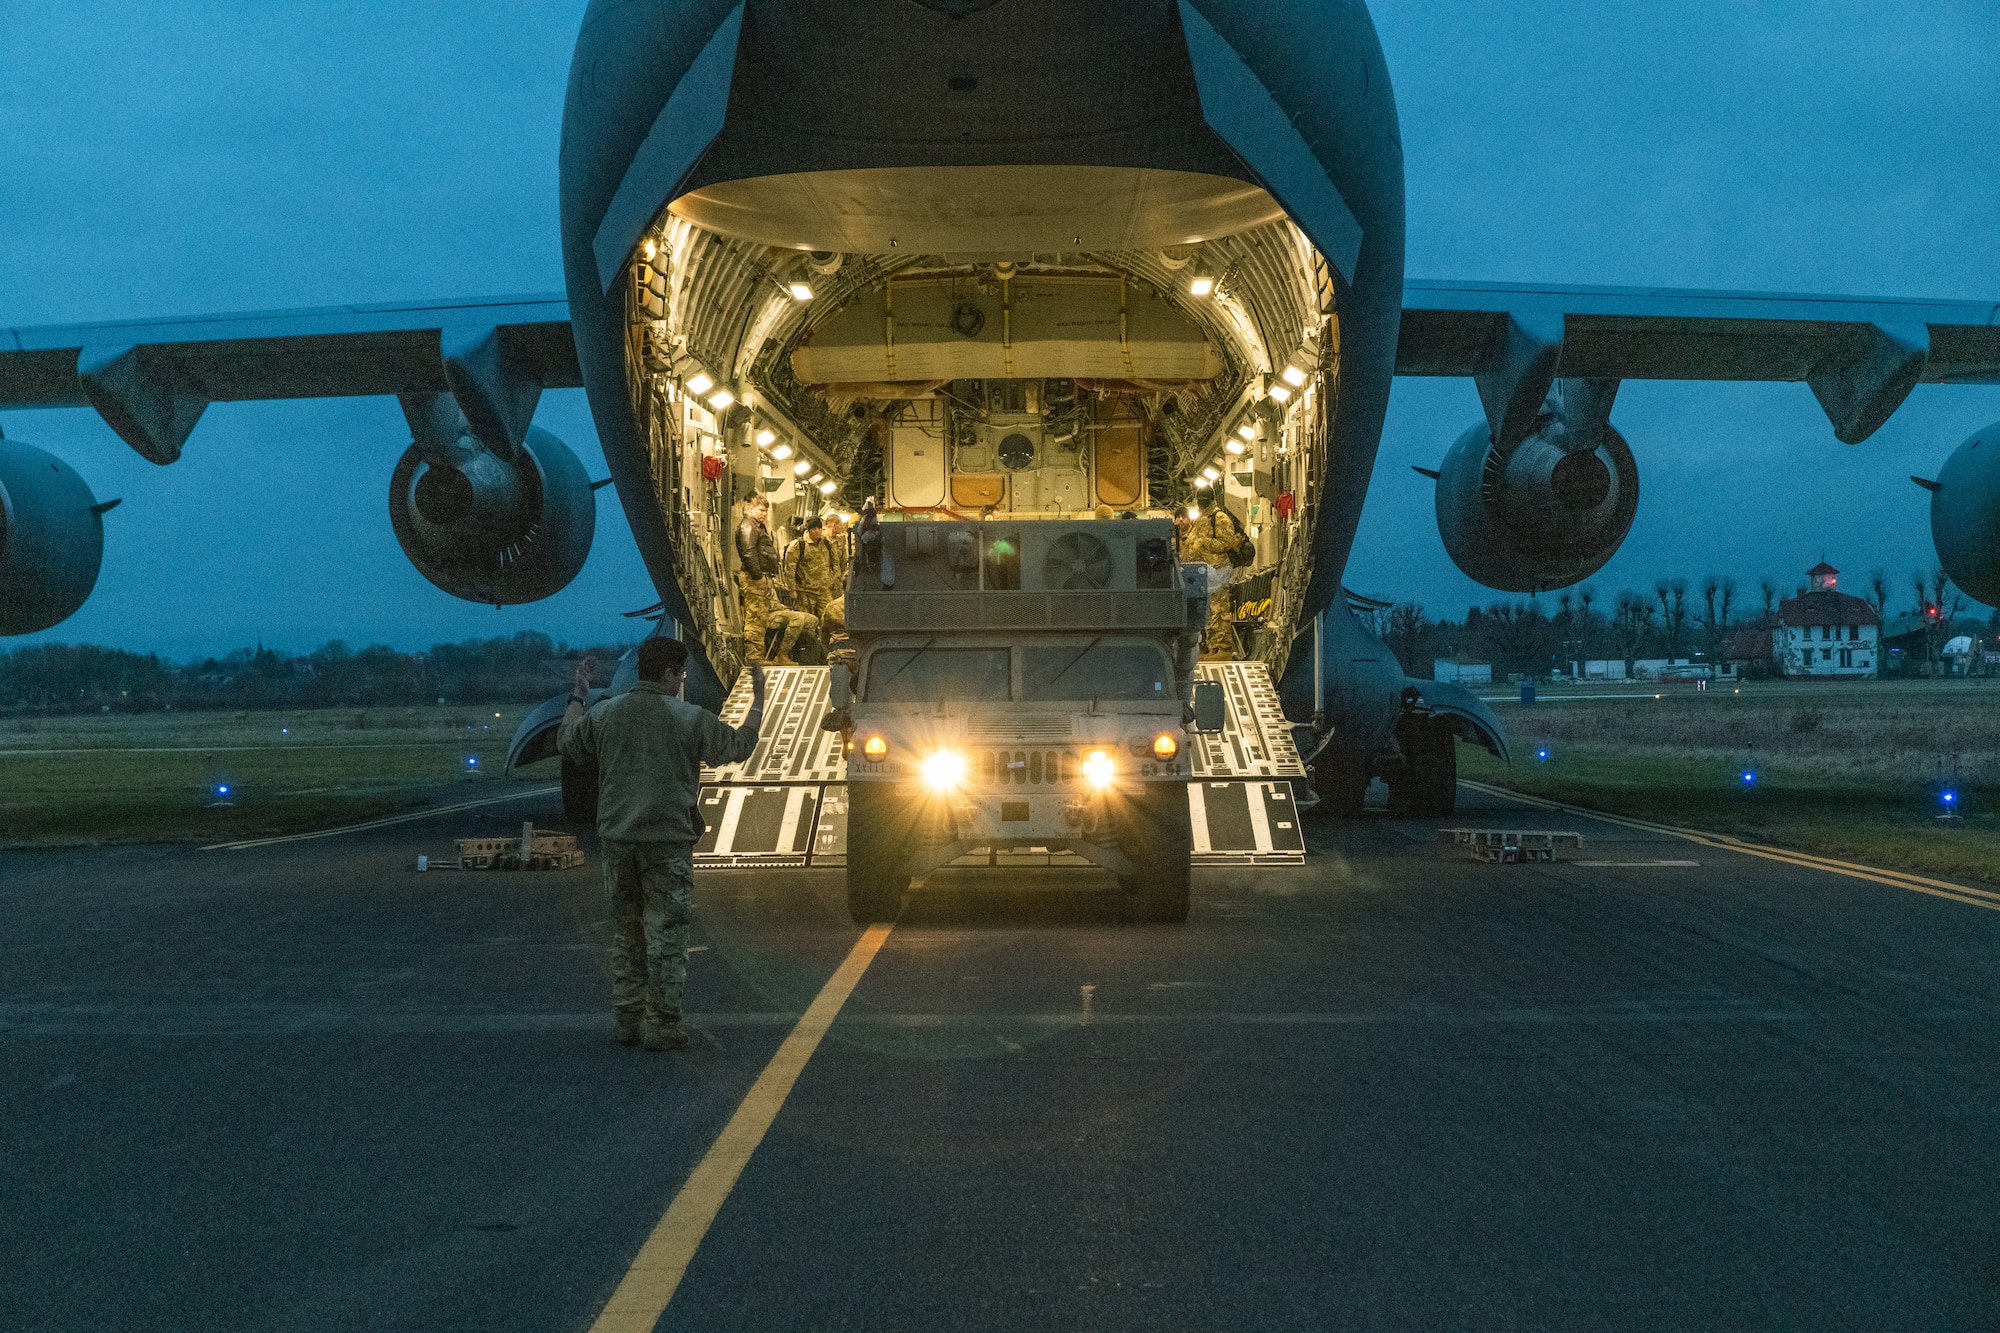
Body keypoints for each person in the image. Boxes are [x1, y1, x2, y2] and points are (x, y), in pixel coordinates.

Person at [559, 638, 764, 1051]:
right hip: (667, 843)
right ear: (668, 674)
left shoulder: (606, 714)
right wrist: (758, 700)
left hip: (618, 840)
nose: (681, 681)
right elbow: (739, 746)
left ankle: (626, 1020)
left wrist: (579, 692)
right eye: (681, 674)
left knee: (626, 932)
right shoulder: (688, 717)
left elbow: (567, 743)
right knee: (667, 936)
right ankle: (663, 1025)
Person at [734, 494, 815, 664]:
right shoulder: (748, 526)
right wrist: (757, 576)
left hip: (762, 577)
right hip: (755, 578)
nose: (763, 514)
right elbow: (749, 553)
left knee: (761, 617)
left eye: (765, 511)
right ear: (751, 508)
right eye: (760, 510)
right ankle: (754, 657)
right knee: (756, 618)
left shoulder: (758, 527)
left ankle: (759, 656)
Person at [1182, 487, 1248, 659]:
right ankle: (1213, 647)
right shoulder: (1201, 518)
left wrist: (1204, 542)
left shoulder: (1219, 518)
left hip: (1217, 570)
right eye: (1199, 498)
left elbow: (1226, 543)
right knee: (1210, 611)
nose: (1201, 500)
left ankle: (1224, 648)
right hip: (1204, 573)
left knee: (1220, 610)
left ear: (1211, 499)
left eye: (1204, 498)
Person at [783, 515, 840, 625]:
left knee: (828, 619)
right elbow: (790, 569)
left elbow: (834, 563)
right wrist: (792, 590)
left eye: (819, 528)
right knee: (807, 621)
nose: (817, 531)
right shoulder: (799, 545)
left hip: (823, 590)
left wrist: (834, 582)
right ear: (808, 530)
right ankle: (808, 642)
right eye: (814, 528)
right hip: (805, 591)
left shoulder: (827, 543)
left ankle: (824, 642)